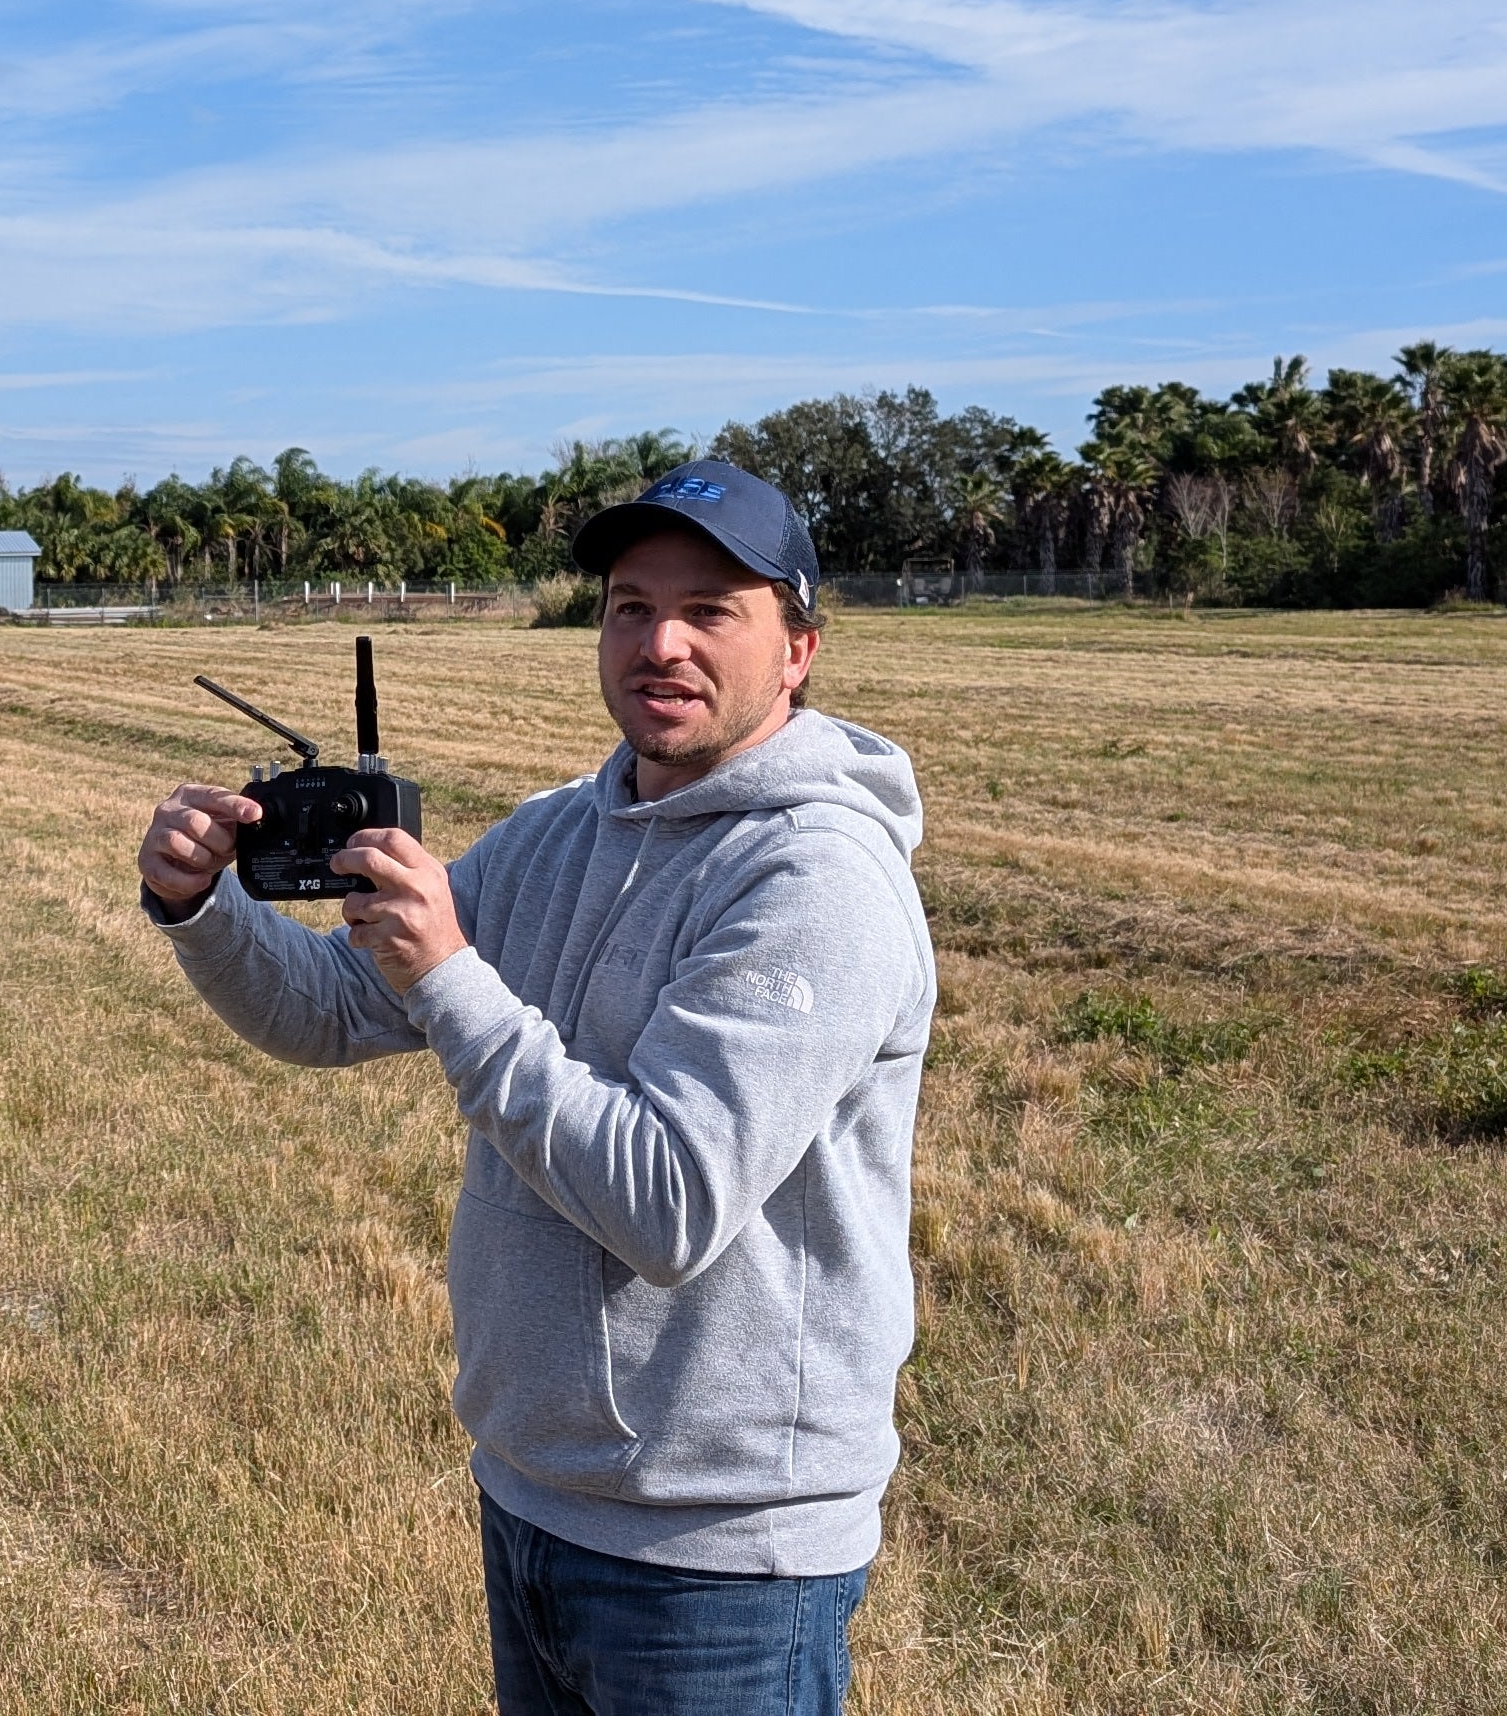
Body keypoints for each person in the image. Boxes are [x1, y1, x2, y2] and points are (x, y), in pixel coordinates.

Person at [136, 459, 935, 1716]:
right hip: (531, 1493)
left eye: (710, 608)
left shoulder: (816, 877)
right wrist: (199, 907)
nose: (659, 642)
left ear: (798, 649)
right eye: (628, 605)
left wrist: (452, 976)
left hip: (719, 1560)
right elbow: (335, 1009)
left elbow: (668, 1202)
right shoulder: (558, 832)